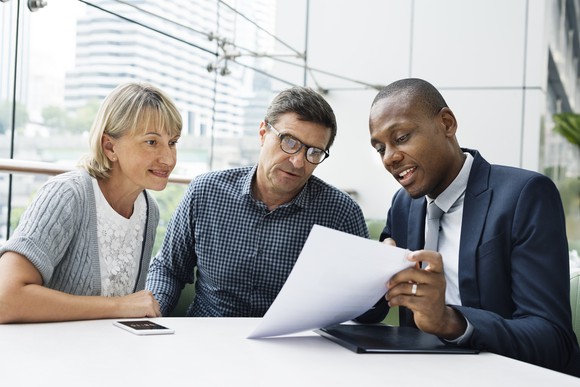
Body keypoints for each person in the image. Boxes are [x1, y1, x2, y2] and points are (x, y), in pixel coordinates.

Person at [361, 77, 580, 376]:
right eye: (379, 148)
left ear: (447, 124)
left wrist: (450, 321)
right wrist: (364, 279)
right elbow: (377, 309)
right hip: (416, 374)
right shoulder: (403, 204)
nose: (390, 158)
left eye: (401, 138)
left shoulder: (525, 195)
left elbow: (554, 341)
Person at [146, 86, 369, 317]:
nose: (298, 162)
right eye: (289, 142)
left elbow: (363, 305)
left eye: (313, 153)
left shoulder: (341, 213)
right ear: (263, 133)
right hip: (207, 340)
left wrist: (381, 281)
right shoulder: (205, 192)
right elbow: (168, 269)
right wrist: (151, 314)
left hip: (293, 347)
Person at [0, 82, 182, 323]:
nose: (168, 159)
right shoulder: (67, 195)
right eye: (151, 142)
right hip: (46, 354)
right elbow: (6, 299)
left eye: (172, 142)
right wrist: (118, 306)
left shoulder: (148, 210)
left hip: (104, 353)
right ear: (109, 146)